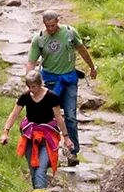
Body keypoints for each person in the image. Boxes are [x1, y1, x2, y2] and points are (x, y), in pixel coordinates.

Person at [32, 8, 90, 140]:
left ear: (58, 21)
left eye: (53, 25)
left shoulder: (70, 33)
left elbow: (82, 49)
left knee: (70, 116)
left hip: (69, 80)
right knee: (48, 115)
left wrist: (91, 67)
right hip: (49, 81)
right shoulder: (39, 39)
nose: (51, 29)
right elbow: (31, 61)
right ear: (43, 23)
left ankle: (72, 151)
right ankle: (50, 147)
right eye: (48, 26)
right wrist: (30, 81)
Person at [13, 71, 66, 189]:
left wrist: (66, 137)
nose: (31, 89)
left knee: (40, 170)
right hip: (30, 137)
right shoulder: (25, 97)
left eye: (34, 86)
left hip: (47, 137)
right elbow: (14, 114)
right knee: (33, 170)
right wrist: (5, 131)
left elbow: (59, 118)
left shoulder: (52, 97)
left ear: (40, 84)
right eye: (29, 87)